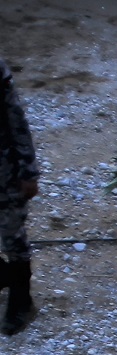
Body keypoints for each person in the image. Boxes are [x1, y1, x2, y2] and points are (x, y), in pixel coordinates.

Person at [1, 59, 39, 336]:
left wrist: (28, 170)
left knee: (12, 234)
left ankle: (21, 300)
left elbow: (15, 119)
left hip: (4, 172)